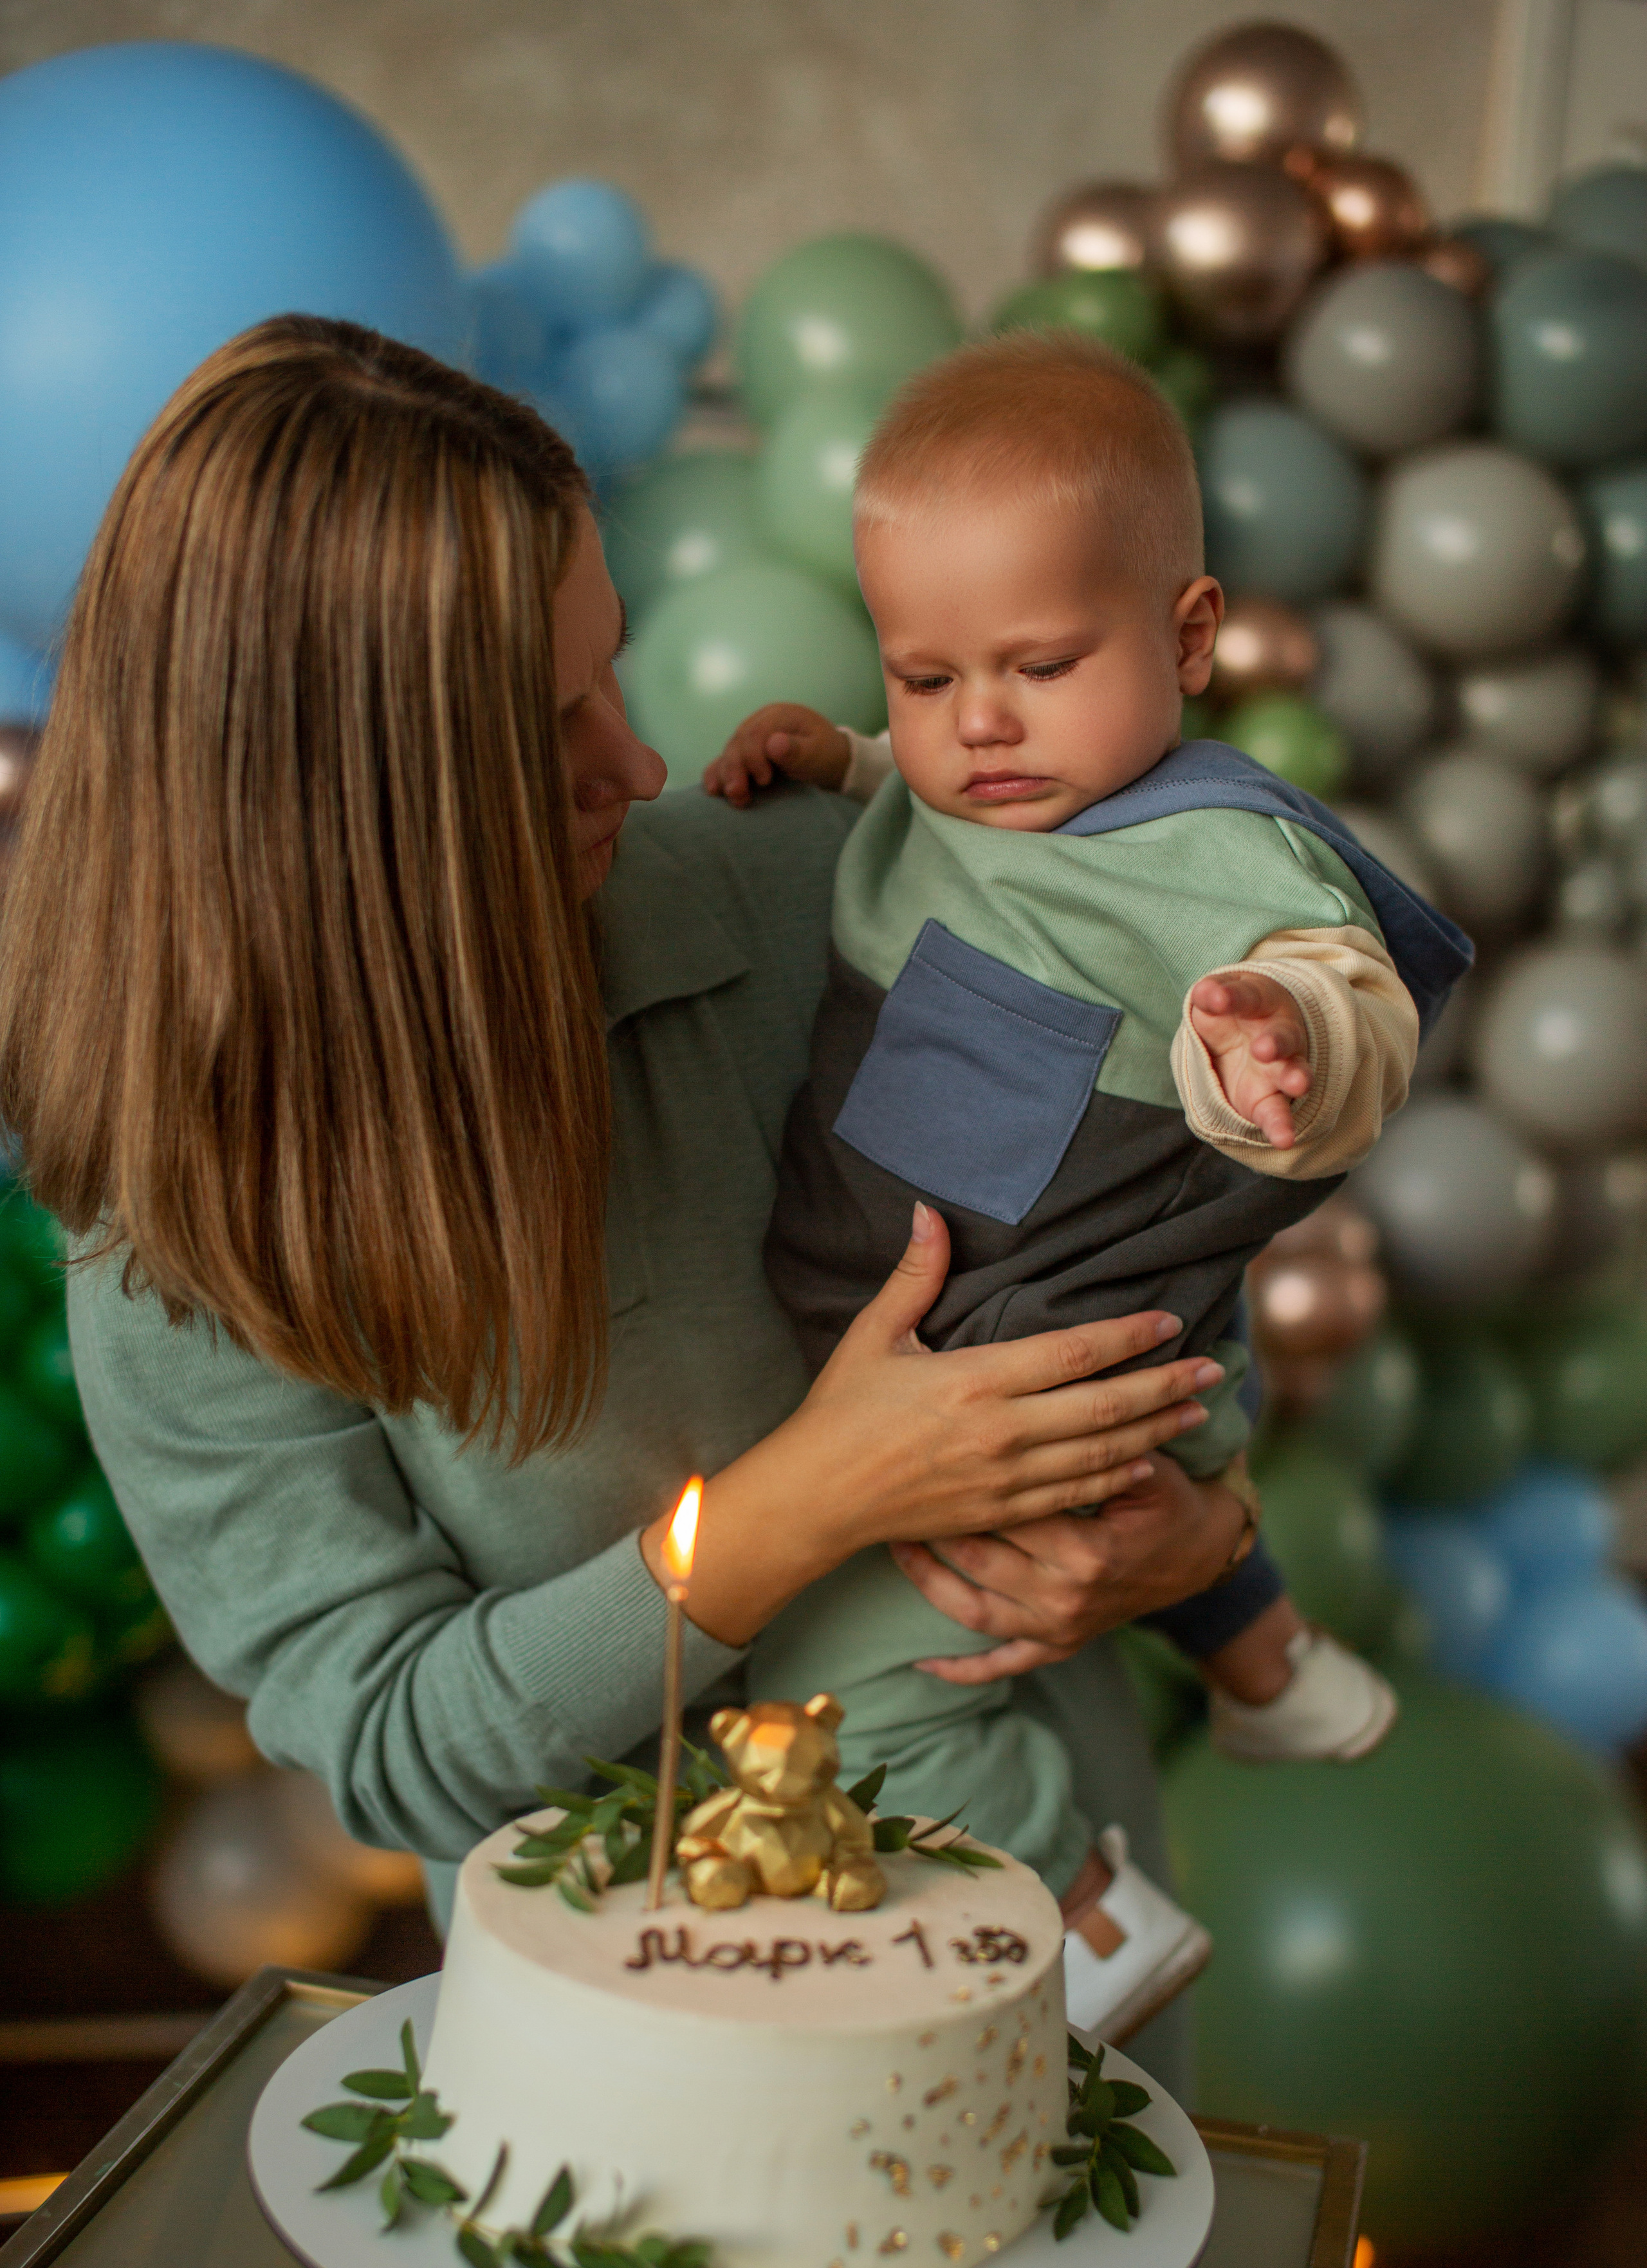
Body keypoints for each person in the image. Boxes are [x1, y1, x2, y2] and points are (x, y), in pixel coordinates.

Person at [0, 315, 1252, 2087]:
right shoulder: (174, 1232)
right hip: (638, 2080)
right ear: (349, 813)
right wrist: (804, 1502)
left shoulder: (804, 884)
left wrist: (1195, 1526)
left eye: (619, 671)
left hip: (1049, 1925)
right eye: (549, 722)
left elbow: (1151, 1211)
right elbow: (399, 1745)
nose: (640, 763)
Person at [704, 331, 1471, 2038]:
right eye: (922, 676)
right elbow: (930, 800)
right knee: (1145, 1505)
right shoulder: (983, 774)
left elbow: (1354, 1006)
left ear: (1188, 637)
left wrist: (1274, 1040)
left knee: (874, 1675)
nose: (979, 727)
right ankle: (1264, 1660)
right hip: (928, 1277)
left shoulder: (1217, 858)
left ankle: (1088, 1919)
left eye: (1041, 666)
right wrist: (837, 760)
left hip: (1042, 1313)